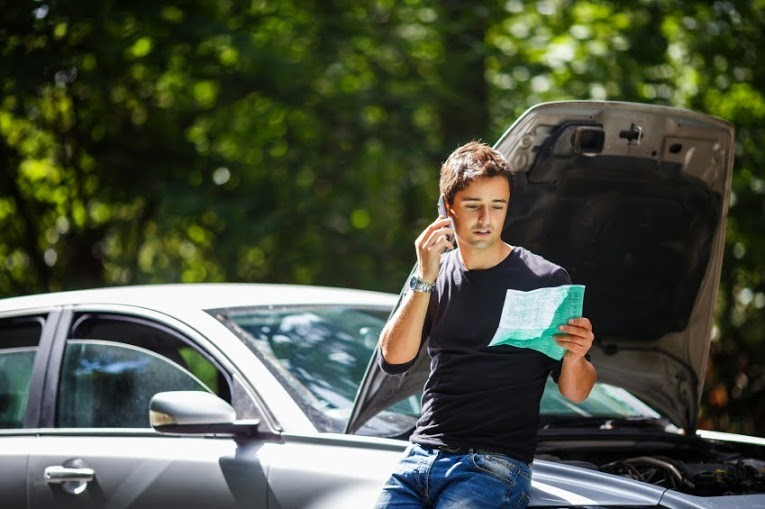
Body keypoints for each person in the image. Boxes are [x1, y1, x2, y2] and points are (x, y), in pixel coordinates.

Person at [374, 141, 596, 508]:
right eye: (473, 206)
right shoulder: (432, 273)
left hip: (494, 466)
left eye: (497, 206)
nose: (485, 219)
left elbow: (576, 392)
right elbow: (393, 360)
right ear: (448, 208)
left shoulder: (544, 278)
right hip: (419, 456)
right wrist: (424, 275)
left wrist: (575, 357)